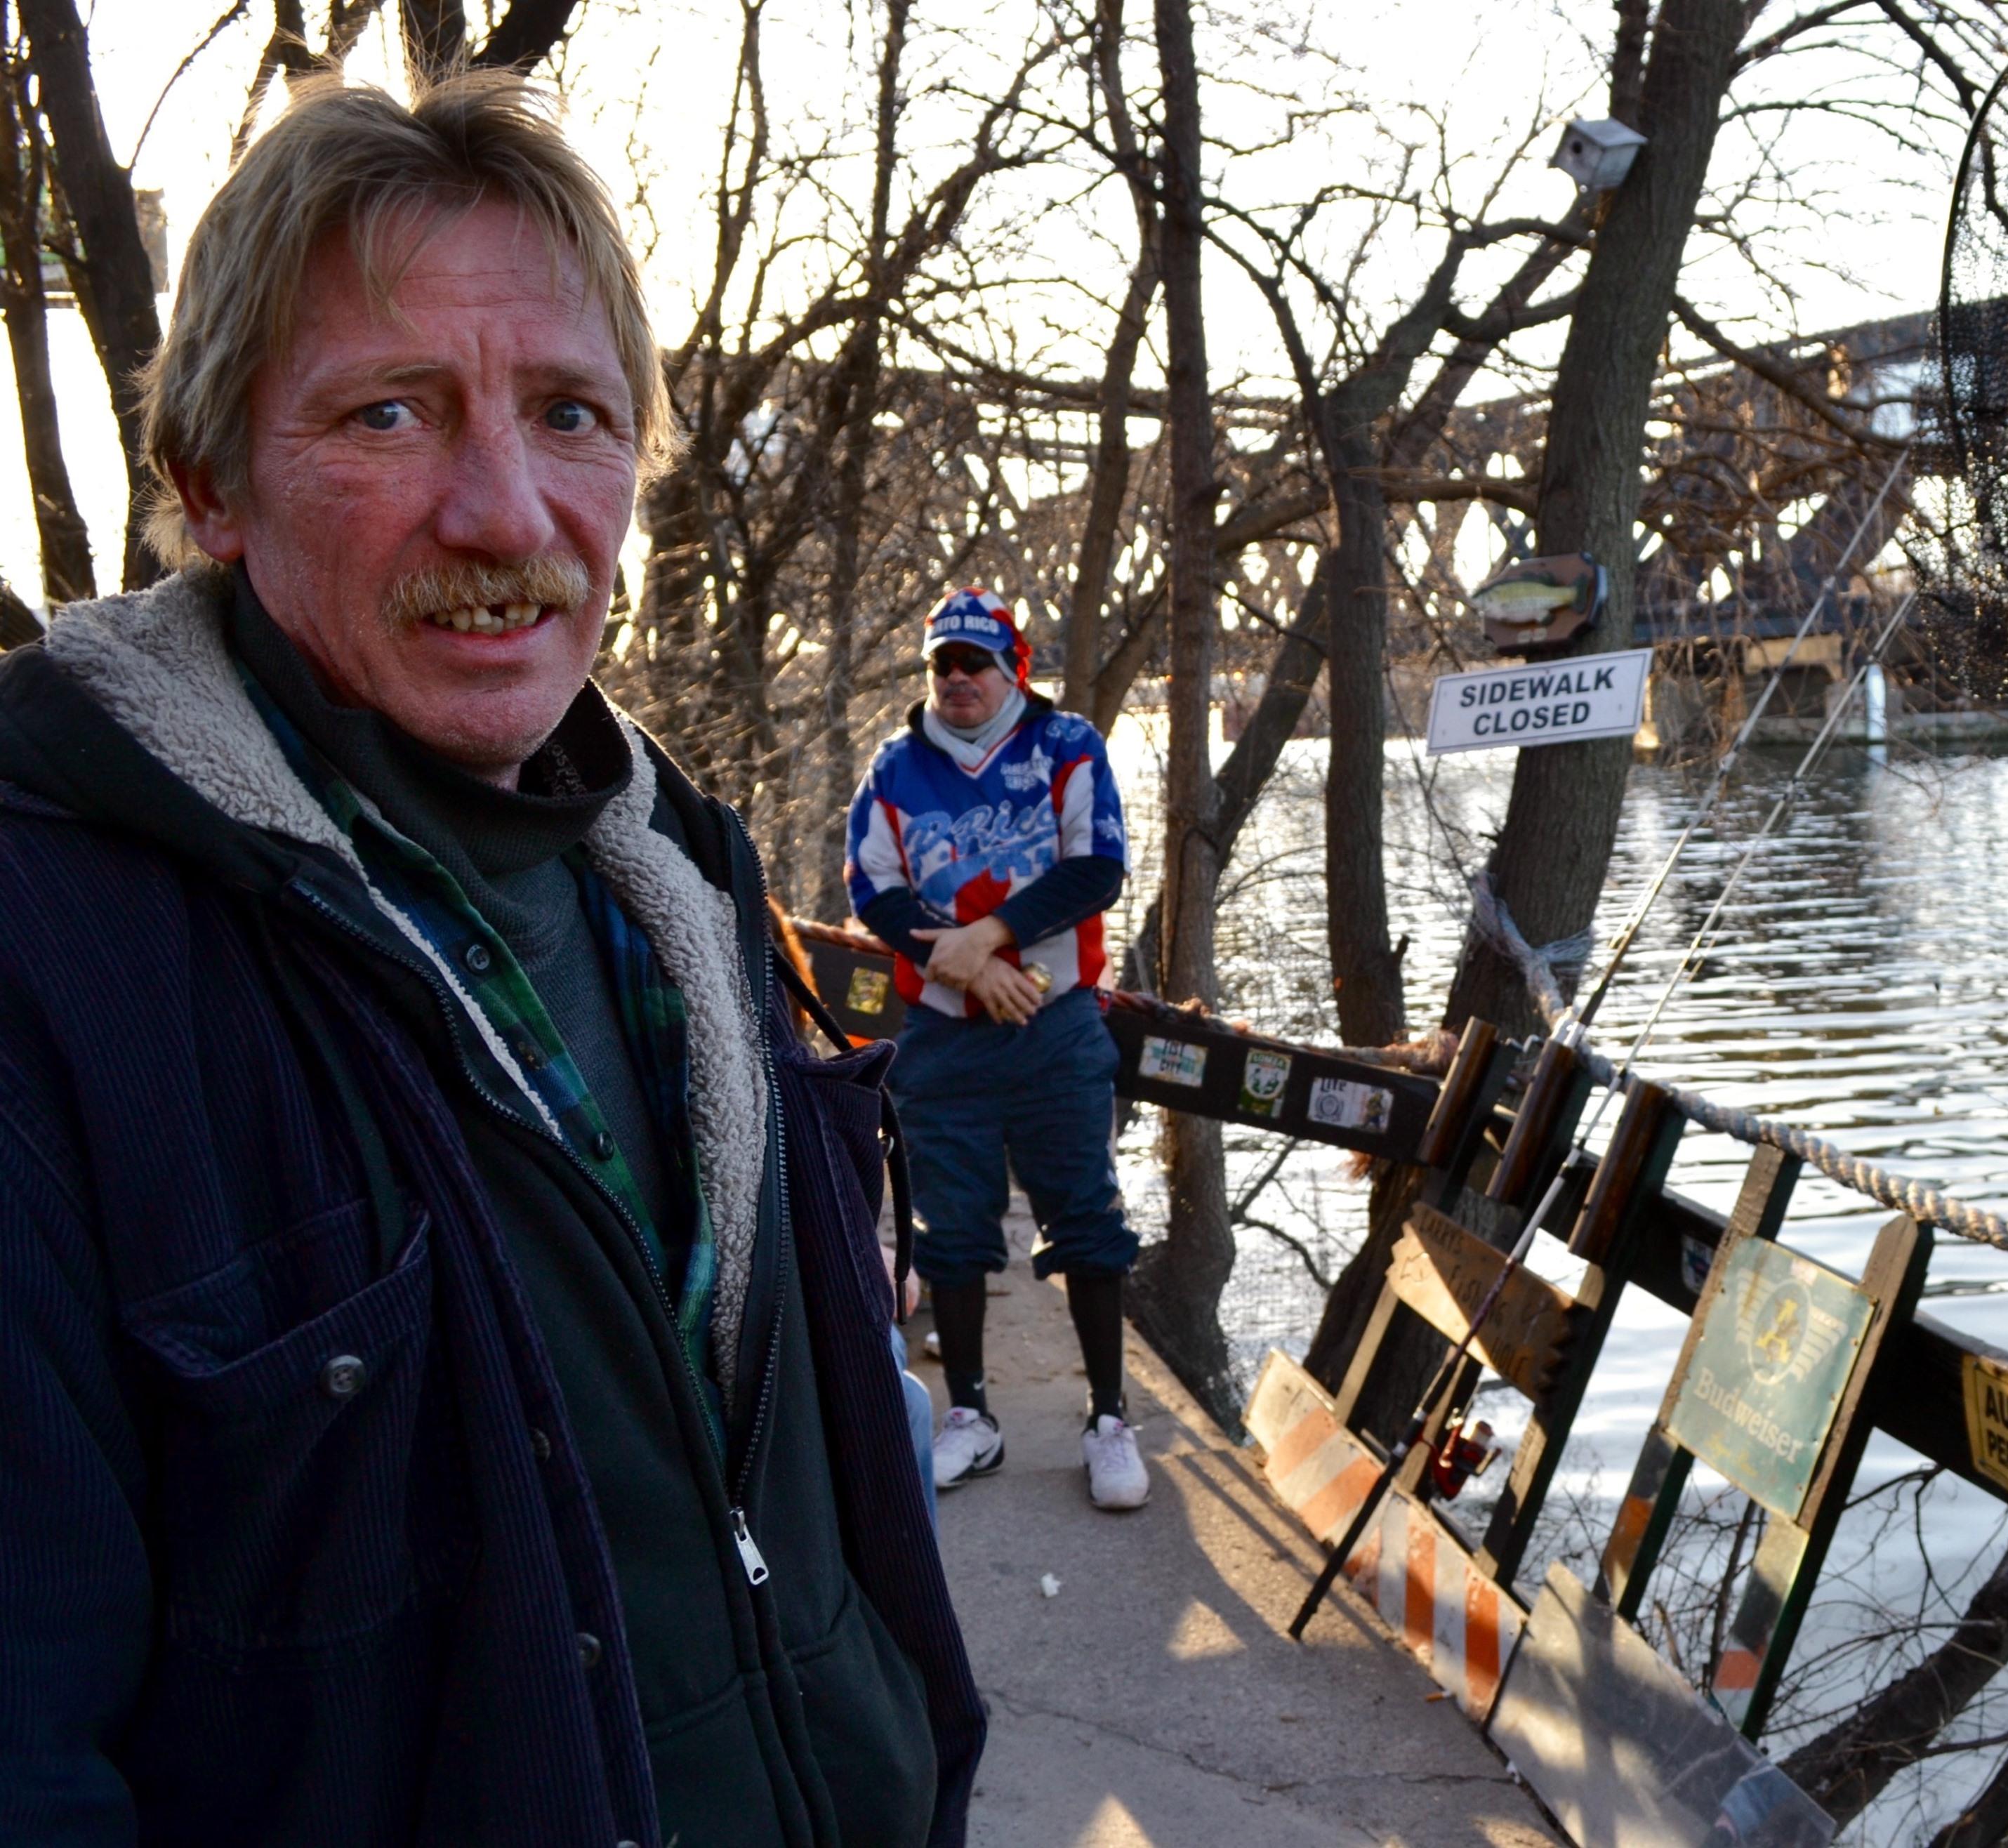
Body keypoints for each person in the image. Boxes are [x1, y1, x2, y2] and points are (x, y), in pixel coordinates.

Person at [0, 74, 982, 1847]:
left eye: (572, 414)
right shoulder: (51, 974)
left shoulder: (680, 865)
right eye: (389, 414)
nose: (506, 513)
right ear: (209, 480)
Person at [845, 589, 1148, 1512]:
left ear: (1013, 667)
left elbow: (1097, 865)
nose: (959, 680)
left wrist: (993, 936)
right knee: (953, 1229)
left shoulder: (1068, 747)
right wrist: (971, 966)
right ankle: (971, 1417)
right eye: (943, 663)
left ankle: (1108, 1418)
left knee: (1086, 1215)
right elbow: (872, 889)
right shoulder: (896, 769)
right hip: (945, 1036)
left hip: (1055, 1026)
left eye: (976, 662)